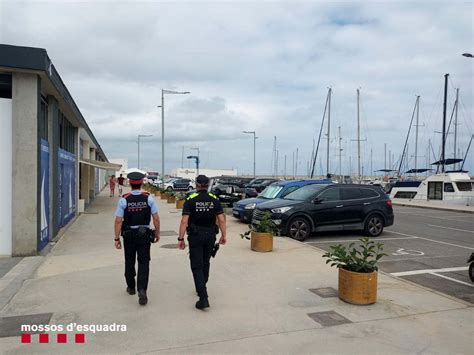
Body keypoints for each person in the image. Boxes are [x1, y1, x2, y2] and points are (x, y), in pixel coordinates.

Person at [178, 175, 227, 310]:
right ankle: (202, 284)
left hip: (196, 236)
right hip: (210, 235)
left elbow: (184, 221)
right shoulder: (214, 199)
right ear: (208, 184)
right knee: (206, 262)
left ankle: (203, 297)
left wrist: (180, 239)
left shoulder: (190, 199)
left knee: (196, 266)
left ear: (196, 184)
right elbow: (221, 220)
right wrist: (223, 236)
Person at [114, 171, 160, 305]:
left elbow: (118, 221)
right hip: (144, 235)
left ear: (130, 183)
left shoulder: (124, 199)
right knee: (144, 262)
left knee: (129, 261)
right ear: (141, 183)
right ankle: (142, 290)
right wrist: (157, 233)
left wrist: (116, 239)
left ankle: (131, 287)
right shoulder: (149, 198)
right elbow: (156, 218)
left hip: (128, 235)